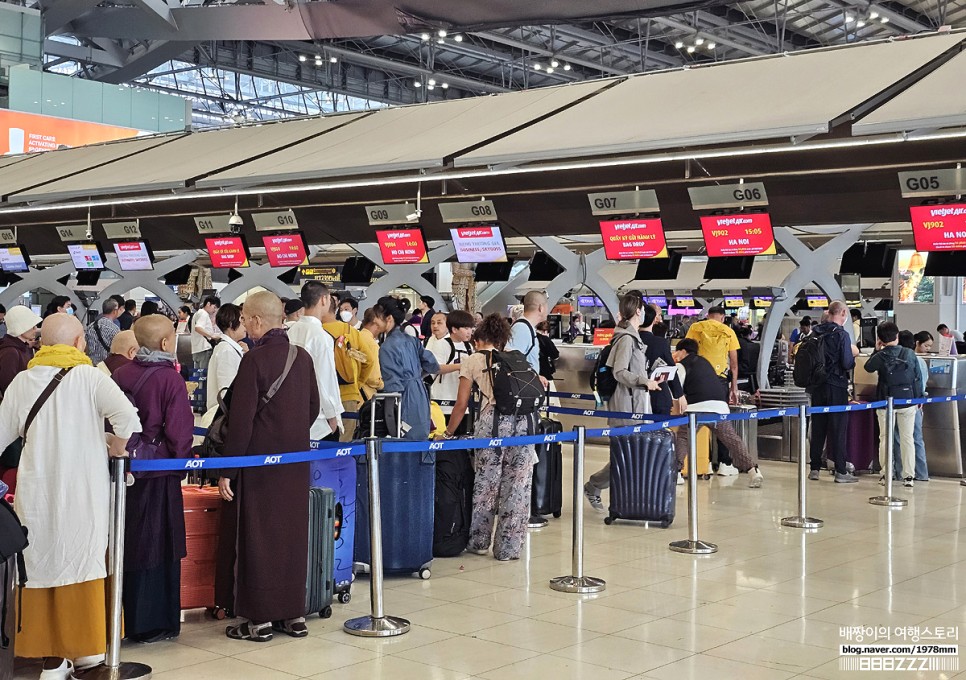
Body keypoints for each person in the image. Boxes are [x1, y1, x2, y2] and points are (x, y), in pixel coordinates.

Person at [0, 313, 141, 678]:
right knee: (85, 559)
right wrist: (116, 448)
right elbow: (128, 418)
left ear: (42, 343)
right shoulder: (91, 378)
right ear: (80, 342)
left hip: (38, 494)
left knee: (40, 565)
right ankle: (87, 653)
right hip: (84, 492)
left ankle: (50, 658)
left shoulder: (21, 382)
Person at [216, 292, 320, 642]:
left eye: (245, 318)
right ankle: (293, 614)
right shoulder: (302, 357)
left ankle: (258, 619)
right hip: (295, 462)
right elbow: (313, 408)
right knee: (291, 537)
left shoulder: (254, 361)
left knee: (257, 537)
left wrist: (228, 469)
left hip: (258, 464)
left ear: (258, 321)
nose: (243, 323)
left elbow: (241, 422)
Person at [112, 315, 193, 643]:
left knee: (129, 542)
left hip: (124, 470)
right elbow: (178, 431)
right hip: (159, 473)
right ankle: (155, 622)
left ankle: (126, 617)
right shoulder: (169, 379)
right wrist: (182, 463)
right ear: (164, 343)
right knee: (160, 545)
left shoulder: (120, 374)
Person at [442, 313, 535, 561]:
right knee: (518, 486)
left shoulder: (473, 360)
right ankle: (509, 548)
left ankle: (480, 541)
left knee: (487, 484)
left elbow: (461, 404)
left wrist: (448, 433)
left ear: (478, 337)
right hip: (525, 425)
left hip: (493, 425)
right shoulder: (516, 358)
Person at [584, 292, 661, 510]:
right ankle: (596, 487)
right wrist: (644, 381)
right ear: (638, 311)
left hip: (634, 404)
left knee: (630, 456)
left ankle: (616, 495)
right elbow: (619, 372)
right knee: (625, 457)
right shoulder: (626, 339)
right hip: (626, 408)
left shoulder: (629, 336)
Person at [673, 339, 763, 487]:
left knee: (683, 437)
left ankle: (676, 473)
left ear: (683, 351)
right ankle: (753, 470)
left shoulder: (681, 365)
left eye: (677, 352)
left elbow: (677, 390)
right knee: (732, 440)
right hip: (719, 408)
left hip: (696, 409)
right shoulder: (705, 363)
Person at [864, 322, 923, 488]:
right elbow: (917, 377)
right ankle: (909, 476)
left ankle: (886, 474)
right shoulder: (909, 353)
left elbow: (868, 367)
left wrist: (877, 349)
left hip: (885, 401)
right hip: (907, 401)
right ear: (897, 336)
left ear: (880, 339)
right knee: (907, 439)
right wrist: (917, 399)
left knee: (885, 439)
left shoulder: (880, 356)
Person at [807, 300, 860, 483]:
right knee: (838, 428)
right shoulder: (842, 335)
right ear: (843, 313)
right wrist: (853, 360)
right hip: (836, 386)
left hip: (817, 386)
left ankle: (814, 468)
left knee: (818, 426)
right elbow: (846, 362)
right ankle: (840, 471)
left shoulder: (815, 332)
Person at [685, 305, 741, 474]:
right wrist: (734, 386)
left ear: (708, 316)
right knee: (721, 420)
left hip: (697, 379)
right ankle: (724, 463)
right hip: (719, 380)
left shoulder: (695, 328)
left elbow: (687, 353)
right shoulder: (727, 331)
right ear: (723, 317)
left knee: (698, 421)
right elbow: (734, 363)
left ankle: (705, 463)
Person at [377, 296, 439, 440]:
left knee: (401, 442)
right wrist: (416, 376)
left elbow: (392, 387)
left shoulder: (387, 347)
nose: (375, 321)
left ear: (389, 318)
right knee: (419, 440)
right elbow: (432, 364)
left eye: (378, 317)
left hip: (402, 398)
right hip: (420, 393)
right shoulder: (411, 340)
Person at [288, 282, 343, 441]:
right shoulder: (321, 337)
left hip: (294, 413)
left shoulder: (291, 331)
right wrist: (333, 415)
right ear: (324, 300)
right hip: (319, 420)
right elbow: (325, 380)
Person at [322, 295, 373, 442]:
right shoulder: (350, 331)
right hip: (348, 394)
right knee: (345, 443)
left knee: (321, 443)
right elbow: (368, 361)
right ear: (336, 309)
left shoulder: (315, 331)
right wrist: (357, 384)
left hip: (321, 396)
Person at [427, 311, 474, 432]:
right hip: (441, 404)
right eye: (465, 328)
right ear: (454, 329)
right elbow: (435, 367)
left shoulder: (469, 347)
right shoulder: (442, 344)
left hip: (462, 405)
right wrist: (460, 366)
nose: (469, 331)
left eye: (470, 328)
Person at [896, 330, 930, 481]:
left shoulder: (898, 359)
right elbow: (922, 383)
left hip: (901, 403)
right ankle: (922, 473)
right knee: (916, 438)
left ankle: (900, 472)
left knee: (899, 438)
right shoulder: (920, 361)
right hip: (917, 403)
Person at [638, 304, 683, 417]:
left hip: (634, 396)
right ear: (654, 320)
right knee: (659, 432)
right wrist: (679, 395)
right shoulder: (660, 343)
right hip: (658, 395)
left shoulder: (628, 340)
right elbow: (671, 369)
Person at [206, 303, 246, 414]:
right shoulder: (226, 351)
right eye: (241, 320)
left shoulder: (228, 348)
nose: (245, 324)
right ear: (230, 323)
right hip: (224, 416)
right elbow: (227, 392)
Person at [507, 291, 549, 386]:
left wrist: (536, 376)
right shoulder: (521, 329)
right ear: (541, 308)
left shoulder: (527, 328)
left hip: (527, 385)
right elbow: (511, 360)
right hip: (522, 389)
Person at [0, 305, 42, 394]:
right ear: (21, 327)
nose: (35, 329)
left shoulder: (21, 347)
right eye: (32, 326)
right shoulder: (10, 352)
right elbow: (8, 386)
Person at [84, 298, 122, 366]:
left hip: (90, 365)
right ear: (115, 311)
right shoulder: (115, 329)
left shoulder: (90, 326)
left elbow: (86, 347)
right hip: (106, 367)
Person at [358, 307, 385, 400]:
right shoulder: (372, 344)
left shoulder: (357, 336)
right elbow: (373, 378)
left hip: (356, 392)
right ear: (376, 321)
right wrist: (382, 385)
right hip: (367, 395)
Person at [190, 296, 221, 370]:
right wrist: (212, 336)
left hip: (196, 349)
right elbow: (198, 328)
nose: (215, 310)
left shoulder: (197, 313)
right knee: (204, 376)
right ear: (208, 304)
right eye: (214, 307)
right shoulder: (204, 314)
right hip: (204, 349)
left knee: (198, 376)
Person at [736, 324, 761, 394]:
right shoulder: (756, 346)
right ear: (749, 335)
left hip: (741, 374)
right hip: (753, 376)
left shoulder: (738, 345)